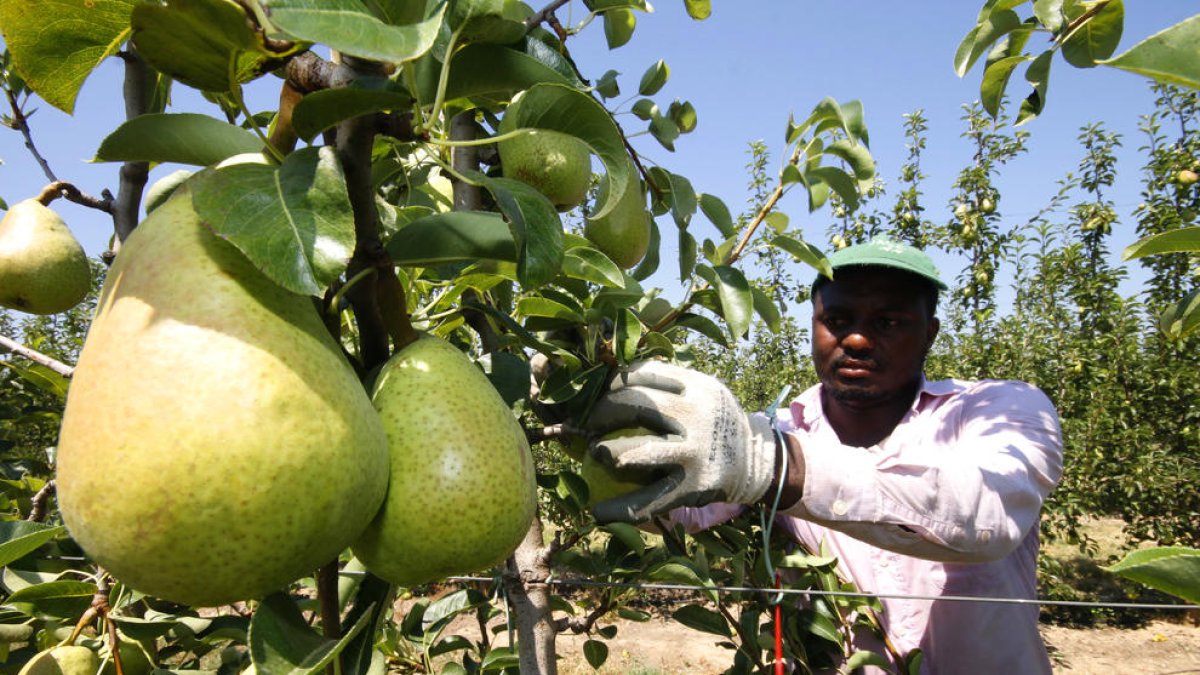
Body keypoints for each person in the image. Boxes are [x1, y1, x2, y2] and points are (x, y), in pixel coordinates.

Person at [578, 237, 1064, 674]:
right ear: (813, 326)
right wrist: (587, 405)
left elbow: (987, 513)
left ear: (930, 333)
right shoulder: (776, 431)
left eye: (888, 322)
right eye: (837, 320)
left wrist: (774, 467)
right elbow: (681, 509)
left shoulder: (999, 410)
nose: (855, 339)